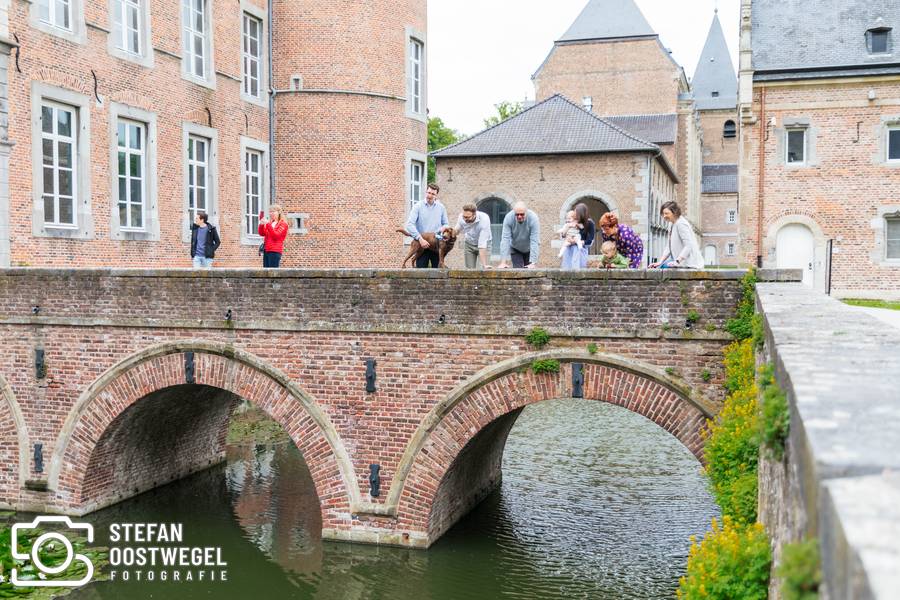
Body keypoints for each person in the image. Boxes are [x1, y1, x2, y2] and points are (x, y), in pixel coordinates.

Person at [405, 183, 449, 268]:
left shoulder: (441, 207)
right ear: (426, 192)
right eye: (429, 192)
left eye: (433, 194)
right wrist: (420, 239)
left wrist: (443, 228)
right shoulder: (417, 206)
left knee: (438, 272)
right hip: (422, 244)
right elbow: (409, 224)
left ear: (436, 195)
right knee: (420, 272)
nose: (430, 195)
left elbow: (446, 224)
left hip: (436, 245)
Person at [650, 202, 705, 269]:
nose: (664, 216)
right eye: (663, 213)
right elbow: (669, 246)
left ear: (675, 213)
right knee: (661, 267)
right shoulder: (671, 224)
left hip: (689, 263)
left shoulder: (681, 224)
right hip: (678, 261)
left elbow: (688, 245)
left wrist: (677, 261)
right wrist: (660, 262)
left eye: (666, 213)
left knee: (664, 269)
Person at [498, 202, 540, 269]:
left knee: (530, 272)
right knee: (518, 270)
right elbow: (505, 239)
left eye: (522, 214)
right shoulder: (508, 218)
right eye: (517, 214)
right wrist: (503, 262)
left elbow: (534, 241)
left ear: (526, 212)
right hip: (515, 248)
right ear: (514, 212)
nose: (519, 216)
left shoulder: (533, 218)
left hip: (529, 249)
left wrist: (533, 263)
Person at [454, 204, 493, 269]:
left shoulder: (484, 219)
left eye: (467, 217)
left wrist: (484, 265)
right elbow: (457, 230)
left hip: (485, 244)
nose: (465, 219)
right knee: (469, 271)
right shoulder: (461, 217)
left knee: (483, 270)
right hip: (469, 244)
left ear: (474, 214)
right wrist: (448, 233)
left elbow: (482, 244)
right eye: (464, 216)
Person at [575, 203, 596, 269]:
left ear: (581, 213)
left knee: (581, 269)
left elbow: (590, 241)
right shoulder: (573, 222)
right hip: (571, 248)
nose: (575, 214)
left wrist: (580, 242)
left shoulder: (590, 223)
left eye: (576, 212)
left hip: (581, 250)